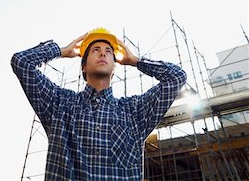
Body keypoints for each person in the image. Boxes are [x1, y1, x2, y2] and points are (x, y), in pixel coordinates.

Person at [11, 28, 186, 181]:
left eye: (108, 51)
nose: (102, 53)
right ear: (84, 67)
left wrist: (136, 61)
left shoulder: (134, 112)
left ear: (114, 67)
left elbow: (177, 77)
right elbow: (22, 62)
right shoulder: (59, 104)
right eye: (95, 50)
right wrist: (61, 51)